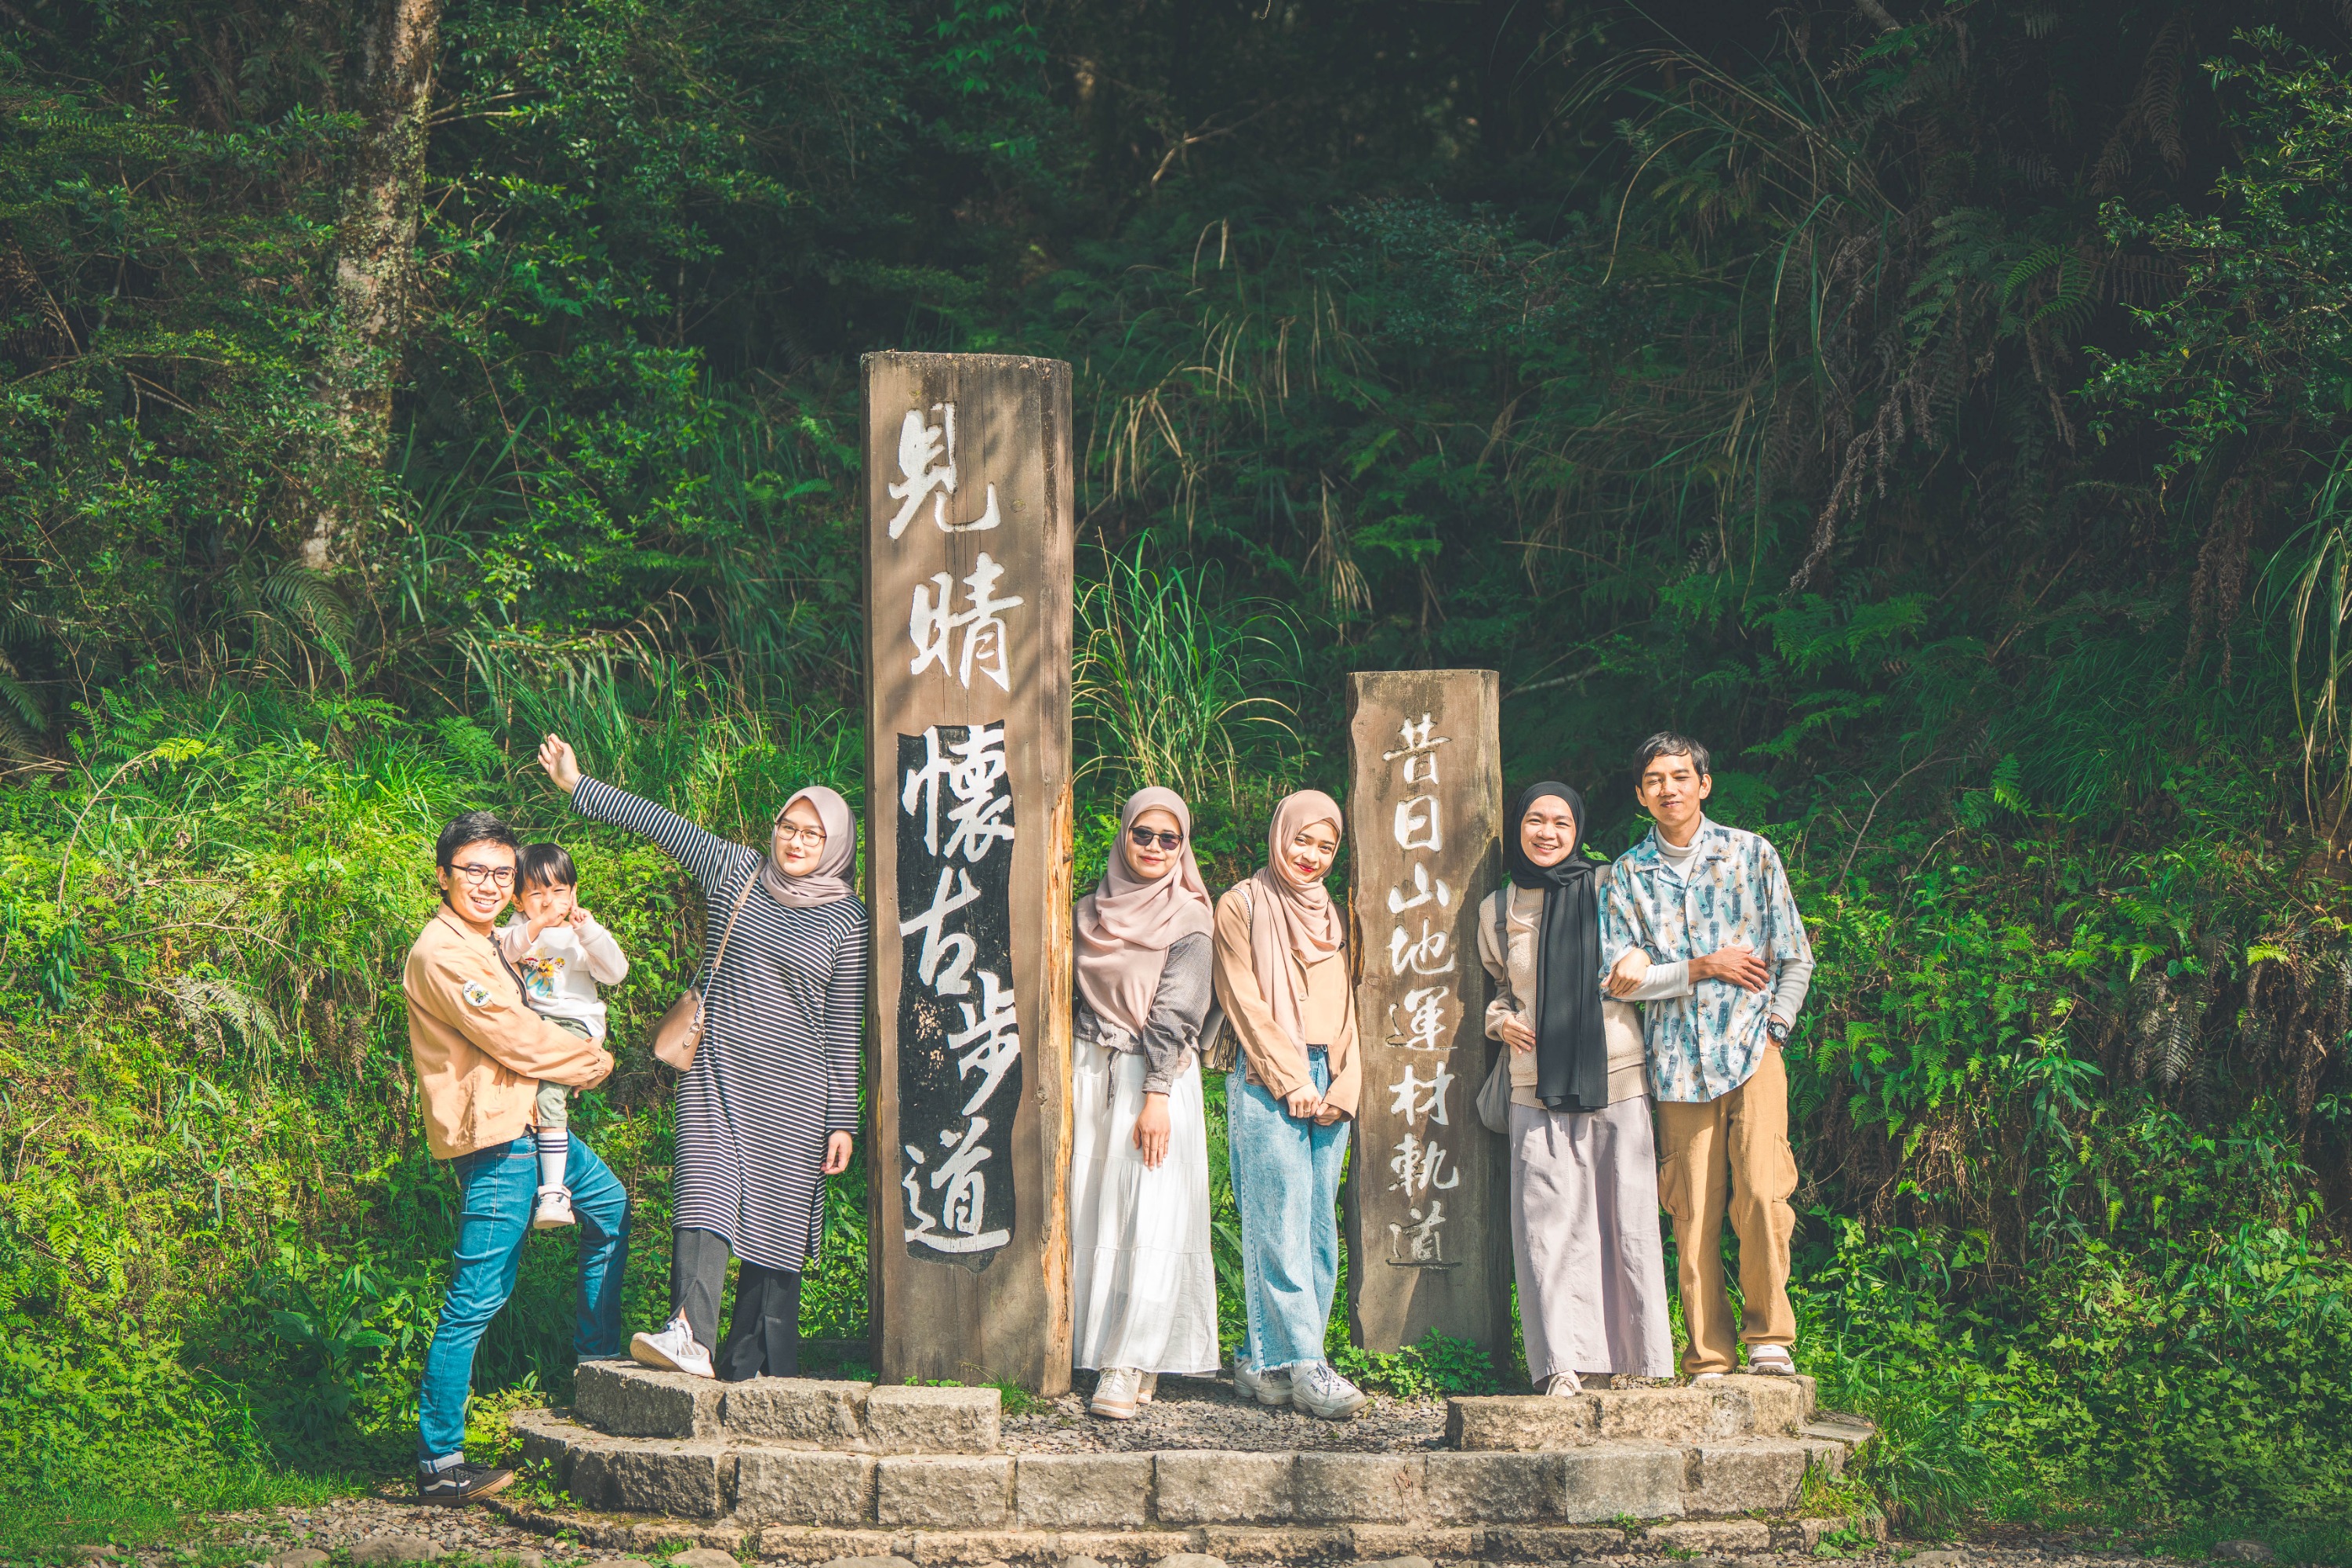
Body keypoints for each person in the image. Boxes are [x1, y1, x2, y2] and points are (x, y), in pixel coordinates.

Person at [536, 733, 866, 1383]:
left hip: (797, 1093)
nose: (796, 842)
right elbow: (661, 823)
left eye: (812, 834)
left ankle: (750, 1363)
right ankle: (688, 1332)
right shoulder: (736, 870)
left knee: (775, 1221)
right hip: (717, 1070)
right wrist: (578, 785)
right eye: (788, 827)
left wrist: (841, 1120)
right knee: (703, 1193)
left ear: (835, 845)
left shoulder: (847, 919)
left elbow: (841, 1026)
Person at [405, 809, 622, 1504]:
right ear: (443, 876)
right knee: (476, 1298)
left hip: (531, 1124)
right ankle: (440, 1463)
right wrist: (592, 1062)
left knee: (610, 1207)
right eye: (474, 870)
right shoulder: (443, 953)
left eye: (502, 872)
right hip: (498, 1138)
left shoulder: (489, 941)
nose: (490, 883)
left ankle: (596, 1363)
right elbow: (515, 1037)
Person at [1600, 732, 1815, 1381]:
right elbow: (1618, 980)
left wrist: (1776, 1027)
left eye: (1680, 776)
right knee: (1691, 1210)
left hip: (1752, 1052)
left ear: (1704, 784)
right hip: (1674, 1064)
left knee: (1764, 1194)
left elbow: (1795, 956)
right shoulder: (1627, 875)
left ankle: (1769, 1337)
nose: (1669, 788)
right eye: (1655, 780)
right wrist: (1700, 967)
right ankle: (1710, 1354)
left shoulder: (1751, 854)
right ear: (1640, 796)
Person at [1476, 783, 1678, 1396]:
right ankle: (1560, 1363)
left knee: (1627, 1218)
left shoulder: (1611, 884)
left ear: (1578, 828)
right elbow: (1502, 990)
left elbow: (1659, 946)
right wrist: (1498, 1021)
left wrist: (1640, 957)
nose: (1547, 833)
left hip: (1616, 1072)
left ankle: (1637, 1361)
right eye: (1535, 820)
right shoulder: (1497, 908)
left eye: (1561, 822)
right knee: (1546, 1224)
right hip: (1534, 1080)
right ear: (1518, 828)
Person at [1210, 789, 1368, 1421]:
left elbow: (1351, 1003)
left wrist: (1345, 1083)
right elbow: (1242, 999)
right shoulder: (1242, 904)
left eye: (1326, 846)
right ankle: (1306, 1363)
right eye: (1302, 840)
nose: (1312, 855)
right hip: (1267, 1073)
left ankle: (1266, 1359)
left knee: (1317, 1227)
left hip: (1331, 1074)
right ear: (1280, 835)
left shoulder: (1336, 912)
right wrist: (1289, 1076)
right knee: (1276, 1219)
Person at [1069, 787, 1221, 1419]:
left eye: (1169, 838)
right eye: (1143, 834)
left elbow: (1177, 1013)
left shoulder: (1189, 918)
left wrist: (1155, 1093)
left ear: (1183, 846)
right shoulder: (1087, 912)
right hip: (1090, 1071)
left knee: (1150, 1214)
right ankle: (1112, 1347)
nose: (1155, 847)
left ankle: (1130, 1359)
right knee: (1096, 1210)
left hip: (1154, 1079)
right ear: (1124, 835)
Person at [499, 842, 631, 1229]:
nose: (548, 902)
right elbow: (505, 952)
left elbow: (615, 973)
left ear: (573, 893)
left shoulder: (580, 935)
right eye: (536, 894)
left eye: (558, 891)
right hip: (534, 1024)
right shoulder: (517, 931)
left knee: (547, 1093)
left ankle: (554, 1191)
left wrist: (588, 930)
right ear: (517, 900)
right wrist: (536, 925)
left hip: (574, 1023)